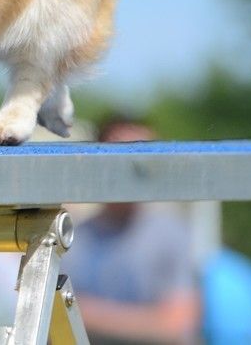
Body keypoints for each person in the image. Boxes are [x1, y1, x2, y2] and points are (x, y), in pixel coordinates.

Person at [62, 117, 200, 344]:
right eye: (121, 158)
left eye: (142, 158)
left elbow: (176, 325)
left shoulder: (171, 233)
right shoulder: (72, 237)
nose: (132, 170)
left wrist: (82, 312)